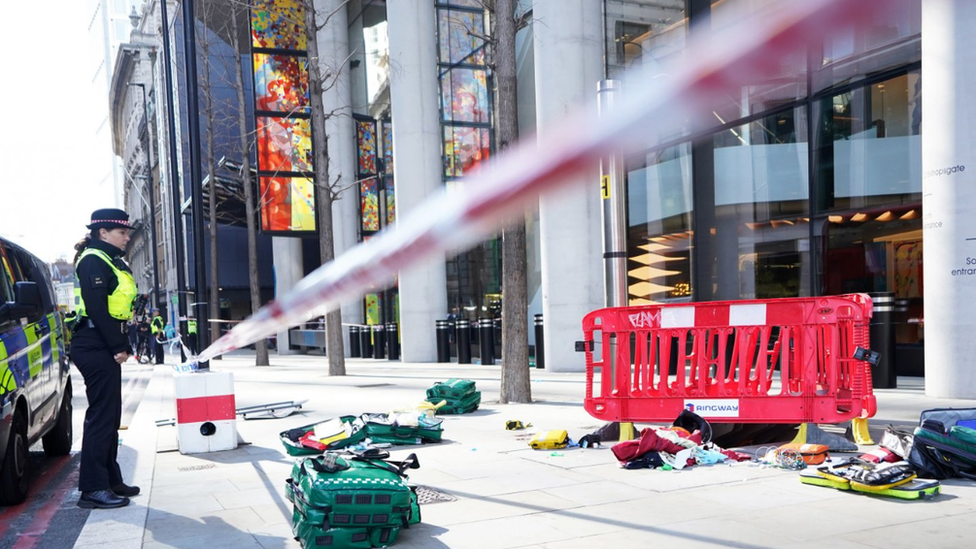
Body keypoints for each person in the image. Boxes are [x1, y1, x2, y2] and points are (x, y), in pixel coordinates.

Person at [71, 208, 140, 509]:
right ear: (103, 233)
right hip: (93, 343)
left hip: (102, 342)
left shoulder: (111, 261)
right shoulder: (92, 261)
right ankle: (93, 488)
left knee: (110, 416)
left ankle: (110, 479)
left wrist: (122, 342)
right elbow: (97, 309)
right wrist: (117, 346)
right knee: (101, 417)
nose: (127, 237)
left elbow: (117, 309)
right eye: (122, 232)